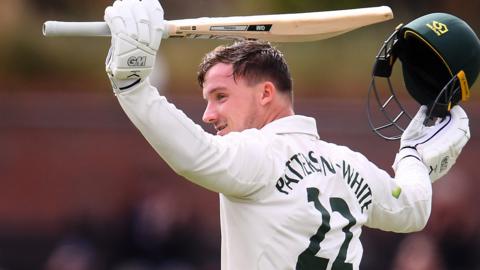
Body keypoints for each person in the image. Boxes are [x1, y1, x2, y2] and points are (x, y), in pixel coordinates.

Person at [102, 0, 470, 269]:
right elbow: (413, 208)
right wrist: (413, 157)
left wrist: (133, 85)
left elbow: (193, 154)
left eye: (220, 97)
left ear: (265, 94)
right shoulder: (351, 165)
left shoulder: (257, 155)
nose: (209, 114)